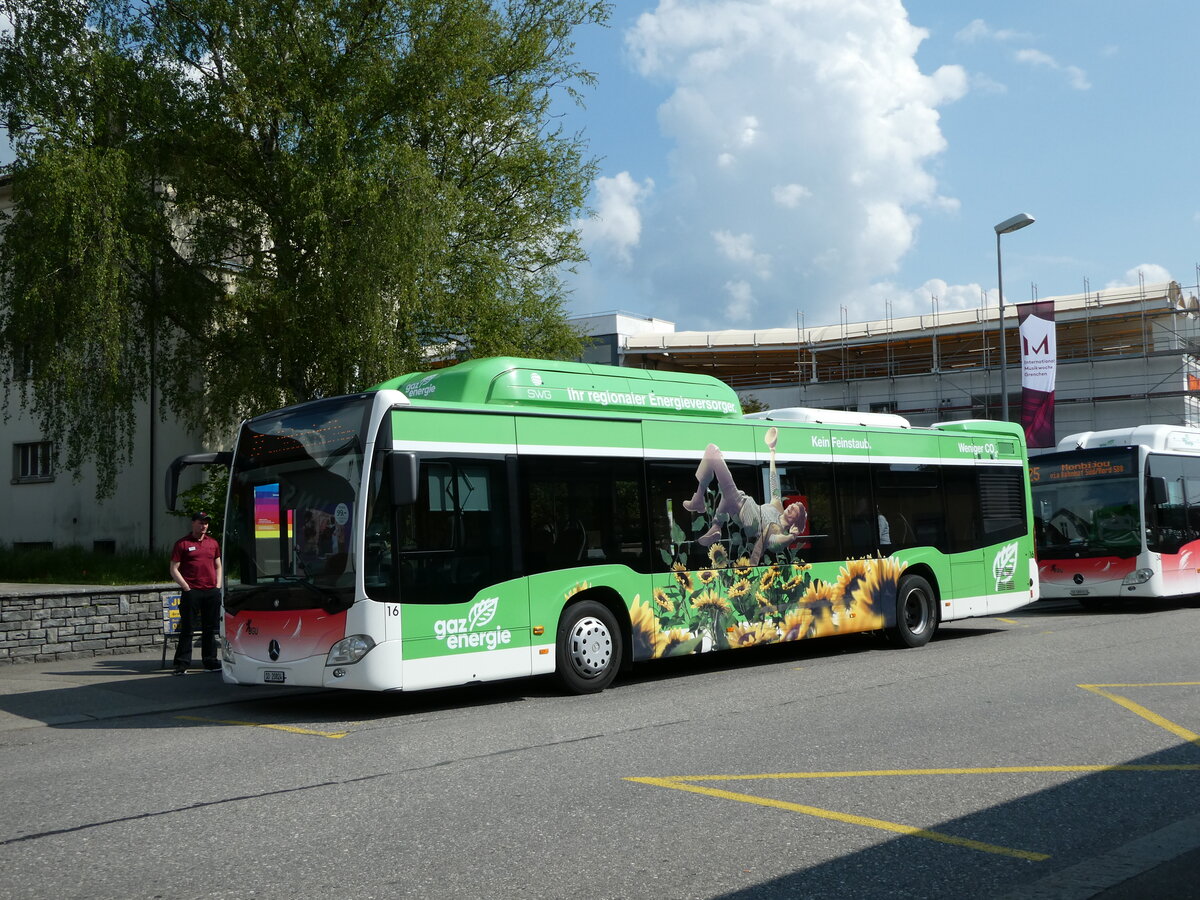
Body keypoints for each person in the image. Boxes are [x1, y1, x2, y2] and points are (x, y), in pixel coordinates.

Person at [683, 426, 807, 564]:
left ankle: (700, 502)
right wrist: (772, 453)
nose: (791, 507)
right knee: (726, 489)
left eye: (795, 510)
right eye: (793, 505)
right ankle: (715, 523)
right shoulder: (778, 506)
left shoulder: (778, 531)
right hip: (741, 502)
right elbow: (773, 480)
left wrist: (792, 536)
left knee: (713, 451)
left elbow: (776, 542)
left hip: (742, 507)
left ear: (796, 521)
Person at [169, 511, 223, 675]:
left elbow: (218, 565)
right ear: (193, 523)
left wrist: (218, 586)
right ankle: (182, 664)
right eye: (200, 522)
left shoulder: (212, 543)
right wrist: (186, 587)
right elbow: (173, 568)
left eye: (206, 523)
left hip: (211, 591)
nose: (204, 526)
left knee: (209, 629)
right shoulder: (183, 544)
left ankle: (210, 661)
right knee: (187, 629)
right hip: (192, 592)